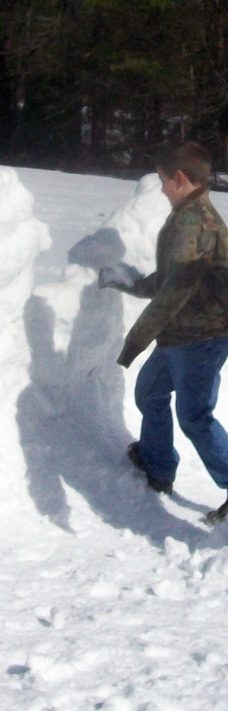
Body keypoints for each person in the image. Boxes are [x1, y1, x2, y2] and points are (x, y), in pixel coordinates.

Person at [99, 141, 228, 522]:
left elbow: (176, 291)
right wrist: (133, 283)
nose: (160, 188)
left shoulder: (194, 223)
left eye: (162, 180)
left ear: (180, 178)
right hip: (180, 334)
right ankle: (158, 467)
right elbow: (176, 277)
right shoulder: (187, 214)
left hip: (201, 337)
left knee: (195, 417)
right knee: (151, 391)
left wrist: (135, 341)